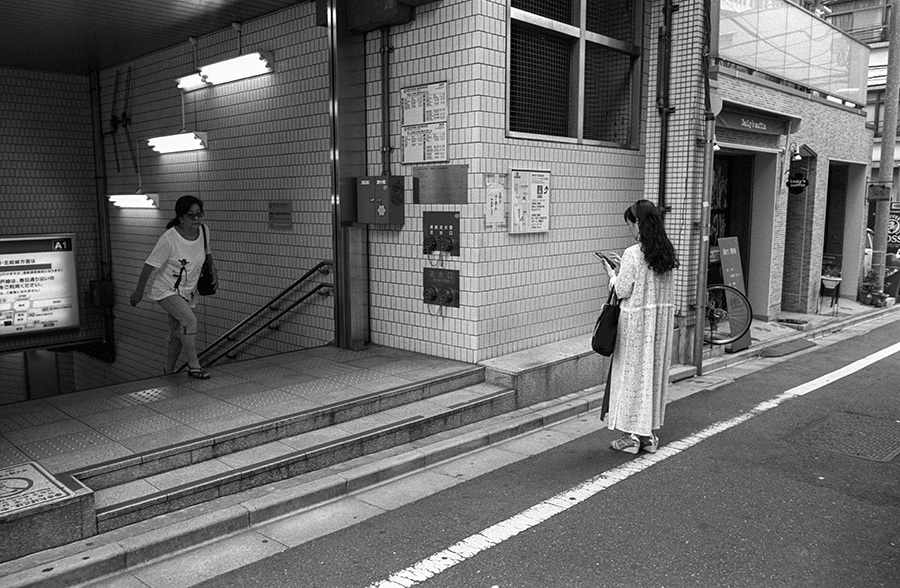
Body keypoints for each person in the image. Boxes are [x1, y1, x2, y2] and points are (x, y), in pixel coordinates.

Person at [600, 199, 678, 454]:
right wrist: (623, 269)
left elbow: (623, 290)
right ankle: (649, 436)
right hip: (659, 327)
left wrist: (612, 274)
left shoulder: (633, 253)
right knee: (651, 377)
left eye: (630, 225)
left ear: (639, 224)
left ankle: (630, 437)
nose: (630, 230)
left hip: (635, 326)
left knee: (631, 378)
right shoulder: (666, 251)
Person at [130, 195, 218, 379]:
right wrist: (139, 291)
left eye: (199, 214)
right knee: (189, 320)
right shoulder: (169, 239)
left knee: (178, 333)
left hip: (188, 289)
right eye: (191, 216)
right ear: (180, 217)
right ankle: (194, 366)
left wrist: (214, 272)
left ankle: (167, 371)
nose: (196, 219)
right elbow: (149, 265)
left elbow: (207, 253)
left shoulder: (204, 230)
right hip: (166, 289)